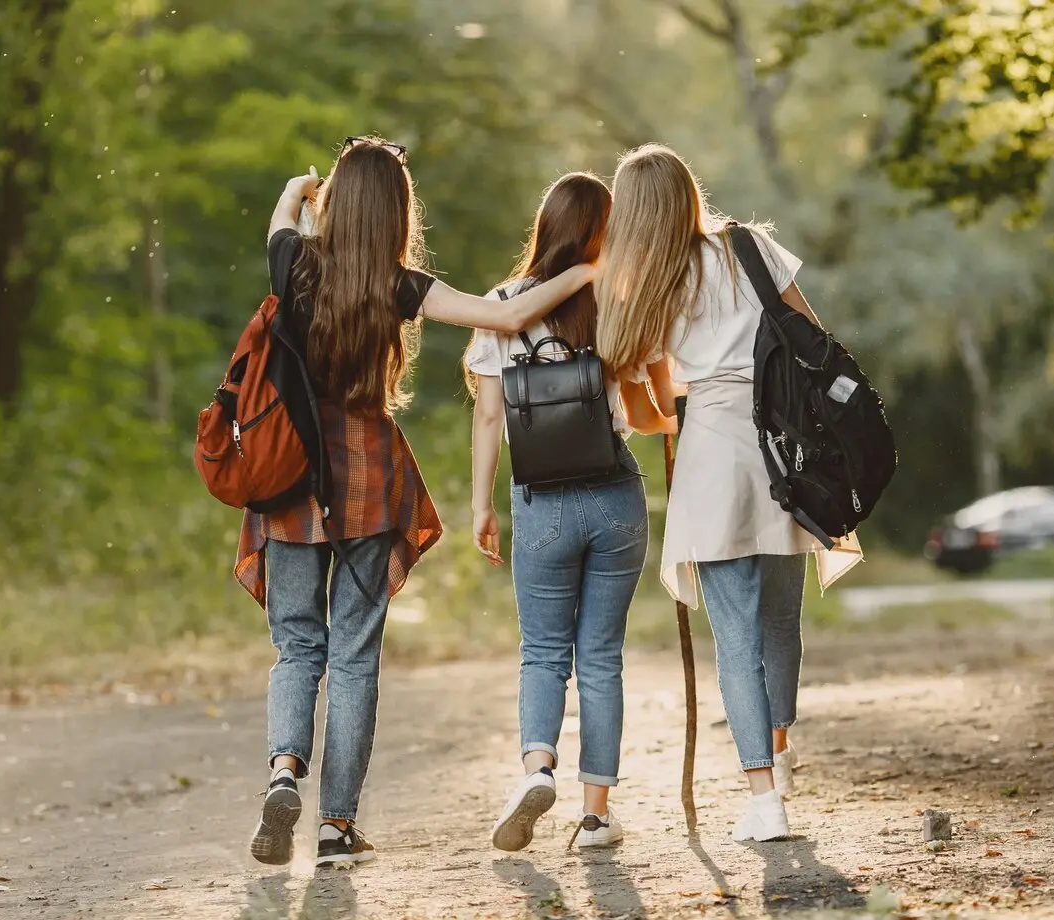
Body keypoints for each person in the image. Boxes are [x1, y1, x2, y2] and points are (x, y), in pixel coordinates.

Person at [243, 137, 597, 868]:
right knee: (354, 656)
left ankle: (284, 768)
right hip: (369, 479)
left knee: (298, 644)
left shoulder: (293, 263)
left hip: (291, 480)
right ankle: (337, 828)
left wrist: (308, 186)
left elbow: (283, 208)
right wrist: (589, 270)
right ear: (400, 211)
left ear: (338, 201)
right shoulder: (402, 284)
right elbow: (504, 318)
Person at [594, 144, 822, 843]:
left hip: (712, 463)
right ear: (689, 193)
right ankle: (779, 758)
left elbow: (645, 410)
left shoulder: (648, 288)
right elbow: (812, 338)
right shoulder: (751, 249)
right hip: (784, 453)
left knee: (734, 633)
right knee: (782, 621)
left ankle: (763, 800)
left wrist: (680, 394)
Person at [464, 172, 673, 851]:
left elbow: (491, 414)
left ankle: (537, 766)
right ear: (599, 232)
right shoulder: (614, 299)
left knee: (543, 654)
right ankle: (595, 817)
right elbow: (645, 411)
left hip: (542, 502)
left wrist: (481, 506)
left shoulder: (503, 306)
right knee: (602, 657)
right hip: (614, 495)